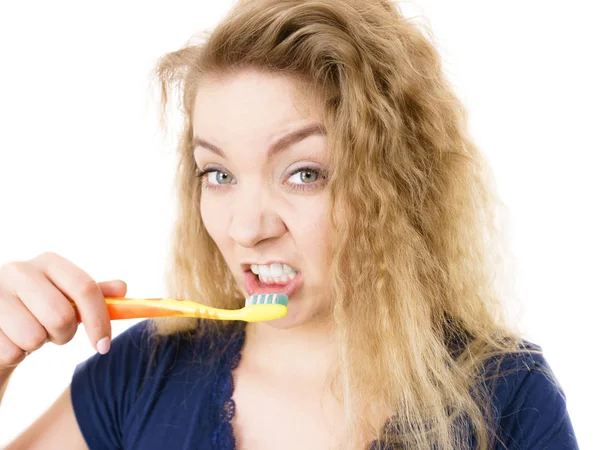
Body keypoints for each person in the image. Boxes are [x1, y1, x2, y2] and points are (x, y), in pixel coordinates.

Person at [0, 0, 579, 449]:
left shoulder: (508, 396)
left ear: (396, 185)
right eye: (218, 174)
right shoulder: (138, 373)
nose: (246, 229)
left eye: (303, 173)